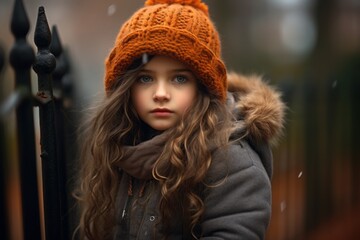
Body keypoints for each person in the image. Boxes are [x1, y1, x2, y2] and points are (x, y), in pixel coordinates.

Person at [75, 0, 285, 239]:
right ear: (127, 87)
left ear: (202, 88)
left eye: (179, 79)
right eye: (145, 79)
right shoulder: (123, 145)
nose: (161, 93)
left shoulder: (232, 163)